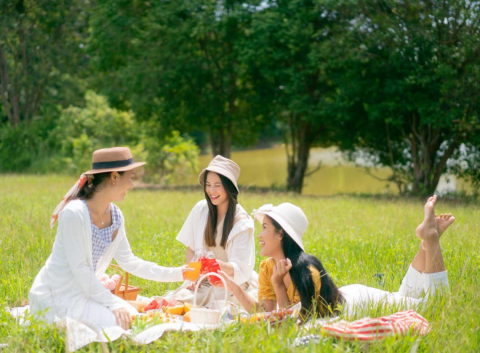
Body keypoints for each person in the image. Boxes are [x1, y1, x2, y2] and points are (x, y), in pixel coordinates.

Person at [29, 147, 191, 330]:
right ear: (114, 177)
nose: (131, 184)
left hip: (87, 293)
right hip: (58, 296)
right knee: (122, 322)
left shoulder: (116, 216)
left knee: (133, 318)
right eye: (130, 176)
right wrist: (114, 303)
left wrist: (180, 273)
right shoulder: (74, 214)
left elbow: (130, 262)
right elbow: (80, 268)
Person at [217, 195, 452, 318]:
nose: (259, 235)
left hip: (355, 303)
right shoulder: (268, 267)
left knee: (433, 306)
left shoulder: (307, 271)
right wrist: (235, 288)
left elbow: (293, 321)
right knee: (406, 297)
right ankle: (428, 243)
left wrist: (279, 285)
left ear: (281, 235)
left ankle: (430, 239)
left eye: (265, 228)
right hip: (349, 295)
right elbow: (269, 314)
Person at [175, 155, 258, 306]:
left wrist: (212, 264)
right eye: (208, 184)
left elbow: (239, 268)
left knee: (219, 305)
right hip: (203, 280)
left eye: (217, 185)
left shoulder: (242, 223)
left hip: (231, 284)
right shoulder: (201, 209)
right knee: (179, 300)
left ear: (229, 187)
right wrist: (193, 277)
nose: (211, 190)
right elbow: (191, 249)